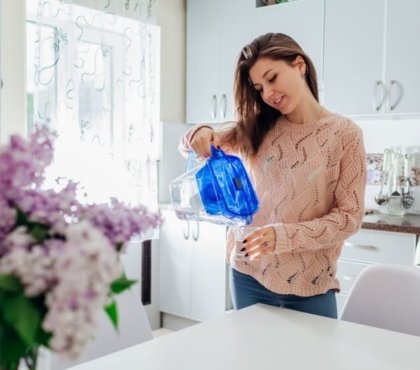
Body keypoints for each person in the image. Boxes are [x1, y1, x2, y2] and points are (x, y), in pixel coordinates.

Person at [179, 33, 366, 319]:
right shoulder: (259, 126)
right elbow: (197, 144)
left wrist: (283, 236)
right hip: (247, 274)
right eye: (259, 87)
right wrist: (198, 133)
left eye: (272, 78)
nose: (267, 93)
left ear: (299, 65)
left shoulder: (345, 134)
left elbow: (348, 218)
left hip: (309, 284)